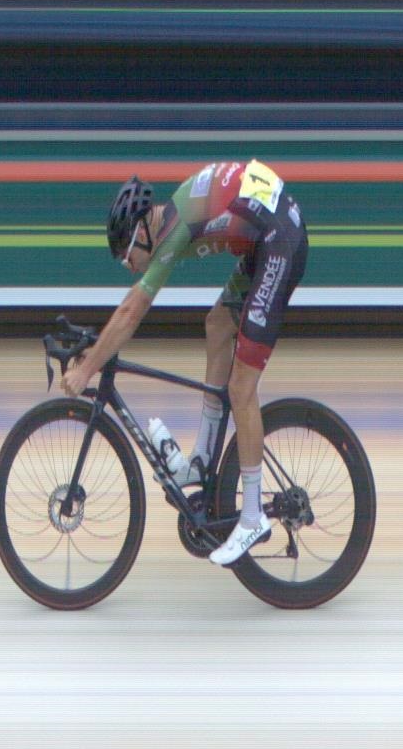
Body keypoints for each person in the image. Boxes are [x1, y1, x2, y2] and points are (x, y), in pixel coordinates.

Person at [58, 160, 307, 567]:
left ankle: (251, 518)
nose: (129, 267)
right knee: (217, 324)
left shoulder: (174, 229)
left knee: (241, 389)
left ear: (142, 233)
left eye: (126, 257)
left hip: (279, 242)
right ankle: (203, 460)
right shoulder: (177, 212)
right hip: (266, 238)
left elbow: (132, 310)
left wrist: (87, 370)